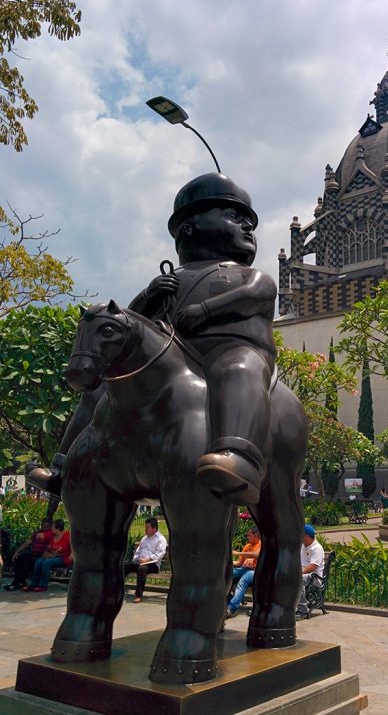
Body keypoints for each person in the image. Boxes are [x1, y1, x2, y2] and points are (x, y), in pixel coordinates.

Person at [128, 173, 277, 507]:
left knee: (237, 367)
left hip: (233, 349)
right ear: (188, 229)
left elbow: (260, 293)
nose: (247, 227)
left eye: (249, 221)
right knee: (109, 379)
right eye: (235, 217)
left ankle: (239, 455)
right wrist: (149, 296)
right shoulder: (168, 279)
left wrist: (206, 310)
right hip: (174, 357)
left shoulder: (248, 275)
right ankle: (67, 460)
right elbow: (130, 323)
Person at [124, 517, 167, 603]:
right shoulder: (144, 538)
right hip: (141, 562)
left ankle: (138, 595)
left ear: (154, 529)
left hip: (153, 565)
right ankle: (119, 589)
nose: (145, 529)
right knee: (124, 567)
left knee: (142, 569)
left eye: (147, 527)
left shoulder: (160, 539)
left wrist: (146, 560)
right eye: (145, 527)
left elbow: (159, 555)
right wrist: (135, 559)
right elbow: (138, 551)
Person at [4, 517, 53, 591]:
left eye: (47, 526)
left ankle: (15, 583)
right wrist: (17, 552)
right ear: (41, 525)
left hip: (41, 556)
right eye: (44, 526)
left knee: (29, 563)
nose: (45, 528)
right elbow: (27, 543)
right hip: (33, 553)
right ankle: (20, 582)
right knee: (20, 558)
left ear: (50, 526)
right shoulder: (37, 533)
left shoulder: (51, 534)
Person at [23, 519, 72, 593]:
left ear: (57, 528)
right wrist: (47, 554)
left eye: (52, 527)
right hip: (52, 556)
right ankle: (33, 584)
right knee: (38, 561)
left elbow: (74, 548)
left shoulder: (67, 536)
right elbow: (48, 549)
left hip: (63, 557)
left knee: (46, 563)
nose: (51, 528)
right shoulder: (53, 537)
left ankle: (43, 585)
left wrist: (70, 558)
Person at [226, 526, 261, 617]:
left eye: (249, 535)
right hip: (243, 569)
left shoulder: (262, 544)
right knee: (229, 573)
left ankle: (230, 608)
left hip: (256, 571)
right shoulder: (247, 546)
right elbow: (239, 563)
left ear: (255, 535)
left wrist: (238, 553)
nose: (247, 537)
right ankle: (224, 600)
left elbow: (256, 555)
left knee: (243, 580)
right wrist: (227, 562)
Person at [296, 524, 324, 619]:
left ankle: (302, 610)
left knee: (298, 579)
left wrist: (297, 572)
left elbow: (312, 567)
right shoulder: (303, 546)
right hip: (304, 575)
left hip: (314, 578)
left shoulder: (317, 548)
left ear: (306, 536)